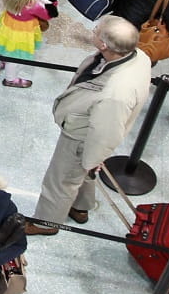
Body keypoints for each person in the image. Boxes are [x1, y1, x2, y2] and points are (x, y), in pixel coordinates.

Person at [22, 16, 153, 233]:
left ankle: (46, 222)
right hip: (88, 127)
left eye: (96, 31)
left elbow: (105, 133)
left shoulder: (116, 93)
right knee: (82, 172)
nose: (93, 31)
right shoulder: (137, 56)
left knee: (61, 180)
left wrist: (93, 159)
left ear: (104, 45)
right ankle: (80, 207)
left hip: (81, 136)